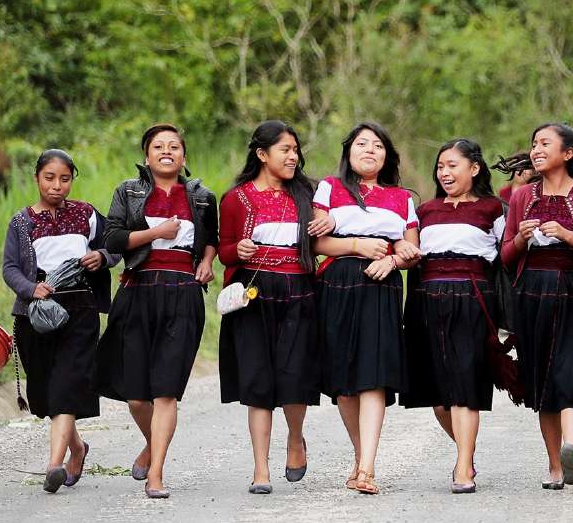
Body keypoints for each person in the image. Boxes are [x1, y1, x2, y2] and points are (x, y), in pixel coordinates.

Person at [95, 124, 219, 498]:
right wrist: (156, 233)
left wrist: (208, 261)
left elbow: (211, 238)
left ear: (183, 155)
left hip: (183, 294)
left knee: (166, 391)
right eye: (158, 146)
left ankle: (157, 474)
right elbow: (113, 240)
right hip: (137, 292)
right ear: (147, 156)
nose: (167, 151)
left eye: (174, 146)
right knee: (137, 396)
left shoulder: (201, 196)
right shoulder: (128, 191)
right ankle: (152, 444)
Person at [218, 120, 331, 495]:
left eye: (296, 150)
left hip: (299, 291)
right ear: (262, 154)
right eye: (285, 149)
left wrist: (328, 219)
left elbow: (327, 235)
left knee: (294, 376)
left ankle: (295, 437)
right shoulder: (236, 199)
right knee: (257, 379)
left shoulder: (308, 194)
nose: (293, 156)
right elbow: (224, 249)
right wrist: (239, 251)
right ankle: (260, 468)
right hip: (254, 293)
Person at [499, 123, 573, 490]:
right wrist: (520, 237)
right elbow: (505, 256)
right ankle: (554, 466)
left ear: (567, 153)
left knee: (572, 371)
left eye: (545, 143)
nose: (535, 149)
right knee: (542, 379)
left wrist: (568, 236)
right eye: (533, 143)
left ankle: (571, 448)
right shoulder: (521, 197)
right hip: (532, 293)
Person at [312, 122, 421, 495]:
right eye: (362, 144)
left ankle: (368, 469)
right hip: (336, 284)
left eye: (378, 145)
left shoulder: (402, 197)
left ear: (387, 155)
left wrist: (394, 260)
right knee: (344, 382)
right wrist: (357, 245)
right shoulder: (329, 187)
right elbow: (315, 244)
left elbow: (410, 250)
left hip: (380, 287)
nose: (370, 150)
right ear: (349, 151)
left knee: (373, 375)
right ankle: (361, 458)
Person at [2, 149, 117, 493]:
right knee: (47, 392)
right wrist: (30, 288)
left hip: (80, 311)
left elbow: (116, 243)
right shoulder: (22, 222)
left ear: (72, 180)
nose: (57, 186)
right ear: (37, 178)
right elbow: (9, 268)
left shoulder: (86, 214)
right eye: (49, 178)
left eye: (64, 179)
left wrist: (103, 256)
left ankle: (54, 466)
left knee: (67, 384)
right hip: (35, 316)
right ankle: (77, 448)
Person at [406, 138, 506, 494]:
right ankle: (467, 450)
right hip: (429, 302)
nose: (444, 172)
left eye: (452, 165)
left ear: (474, 168)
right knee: (439, 396)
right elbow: (412, 254)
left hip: (473, 300)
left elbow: (508, 257)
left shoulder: (493, 209)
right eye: (440, 167)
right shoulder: (426, 211)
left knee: (465, 386)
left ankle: (463, 466)